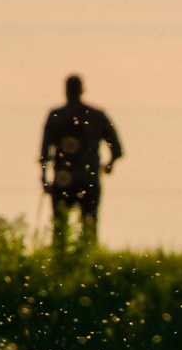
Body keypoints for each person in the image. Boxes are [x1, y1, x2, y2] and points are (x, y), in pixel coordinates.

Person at [39, 74, 122, 253]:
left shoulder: (55, 115)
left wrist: (44, 179)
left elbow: (44, 153)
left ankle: (59, 265)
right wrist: (109, 164)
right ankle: (89, 265)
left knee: (60, 229)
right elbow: (117, 148)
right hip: (89, 179)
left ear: (66, 91)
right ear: (83, 90)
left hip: (63, 181)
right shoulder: (97, 116)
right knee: (89, 225)